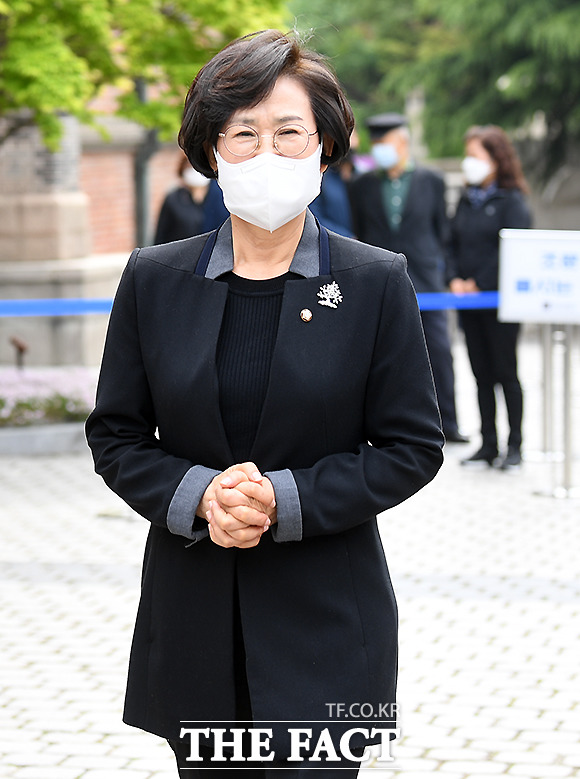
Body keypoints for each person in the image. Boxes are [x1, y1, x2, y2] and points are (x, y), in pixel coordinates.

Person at [85, 30, 444, 778]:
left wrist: (283, 498)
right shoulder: (155, 278)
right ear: (212, 150)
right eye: (243, 133)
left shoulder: (374, 280)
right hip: (195, 615)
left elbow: (412, 447)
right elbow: (117, 433)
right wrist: (200, 494)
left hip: (328, 618)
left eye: (288, 132)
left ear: (324, 147)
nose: (267, 152)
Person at [349, 113, 468, 444]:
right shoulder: (361, 185)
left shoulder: (432, 180)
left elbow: (441, 232)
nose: (380, 148)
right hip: (378, 278)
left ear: (402, 142)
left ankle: (448, 422)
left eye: (385, 142)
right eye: (376, 143)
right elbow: (360, 231)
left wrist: (446, 273)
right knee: (380, 354)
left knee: (438, 352)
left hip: (426, 280)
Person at [448, 125, 532, 470]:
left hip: (500, 303)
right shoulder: (467, 200)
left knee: (505, 372)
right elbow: (451, 243)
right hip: (469, 303)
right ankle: (488, 444)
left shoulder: (512, 201)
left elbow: (512, 249)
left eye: (475, 155)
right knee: (480, 374)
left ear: (496, 159)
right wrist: (454, 278)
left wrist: (479, 282)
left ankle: (515, 446)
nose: (469, 162)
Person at [153, 154, 228, 244]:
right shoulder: (174, 199)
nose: (194, 171)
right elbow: (161, 236)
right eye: (189, 167)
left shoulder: (220, 196)